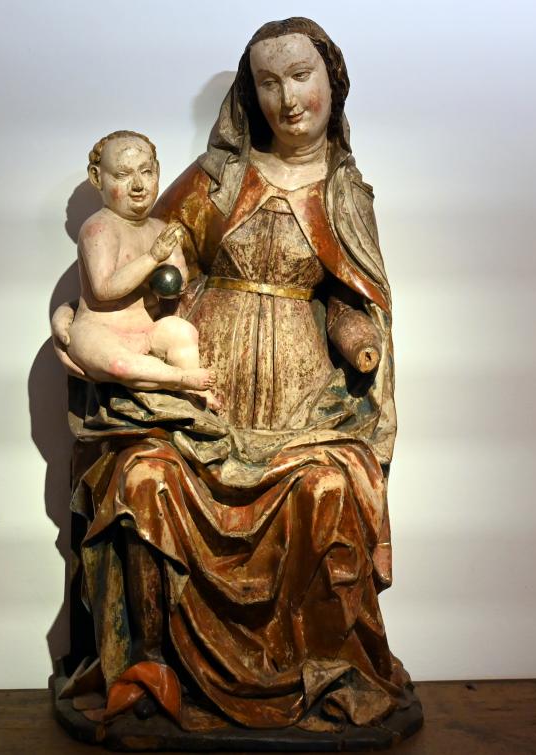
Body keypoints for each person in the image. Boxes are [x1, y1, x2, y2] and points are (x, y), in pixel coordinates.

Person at [52, 17, 419, 735]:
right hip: (203, 393)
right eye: (268, 82)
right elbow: (145, 259)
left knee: (328, 487)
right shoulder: (216, 178)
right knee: (143, 477)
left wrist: (360, 341)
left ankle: (319, 663)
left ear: (332, 83)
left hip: (303, 408)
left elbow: (356, 300)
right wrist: (76, 326)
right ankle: (150, 669)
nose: (288, 99)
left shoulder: (346, 195)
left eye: (301, 76)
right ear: (250, 93)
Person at [64, 130, 219, 409]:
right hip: (101, 330)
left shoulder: (160, 229)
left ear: (157, 171)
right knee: (120, 365)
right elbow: (104, 290)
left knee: (182, 332)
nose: (138, 185)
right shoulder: (99, 228)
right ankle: (183, 380)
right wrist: (152, 257)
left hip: (146, 329)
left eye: (146, 172)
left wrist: (176, 275)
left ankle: (194, 400)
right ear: (97, 178)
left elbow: (177, 284)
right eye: (122, 175)